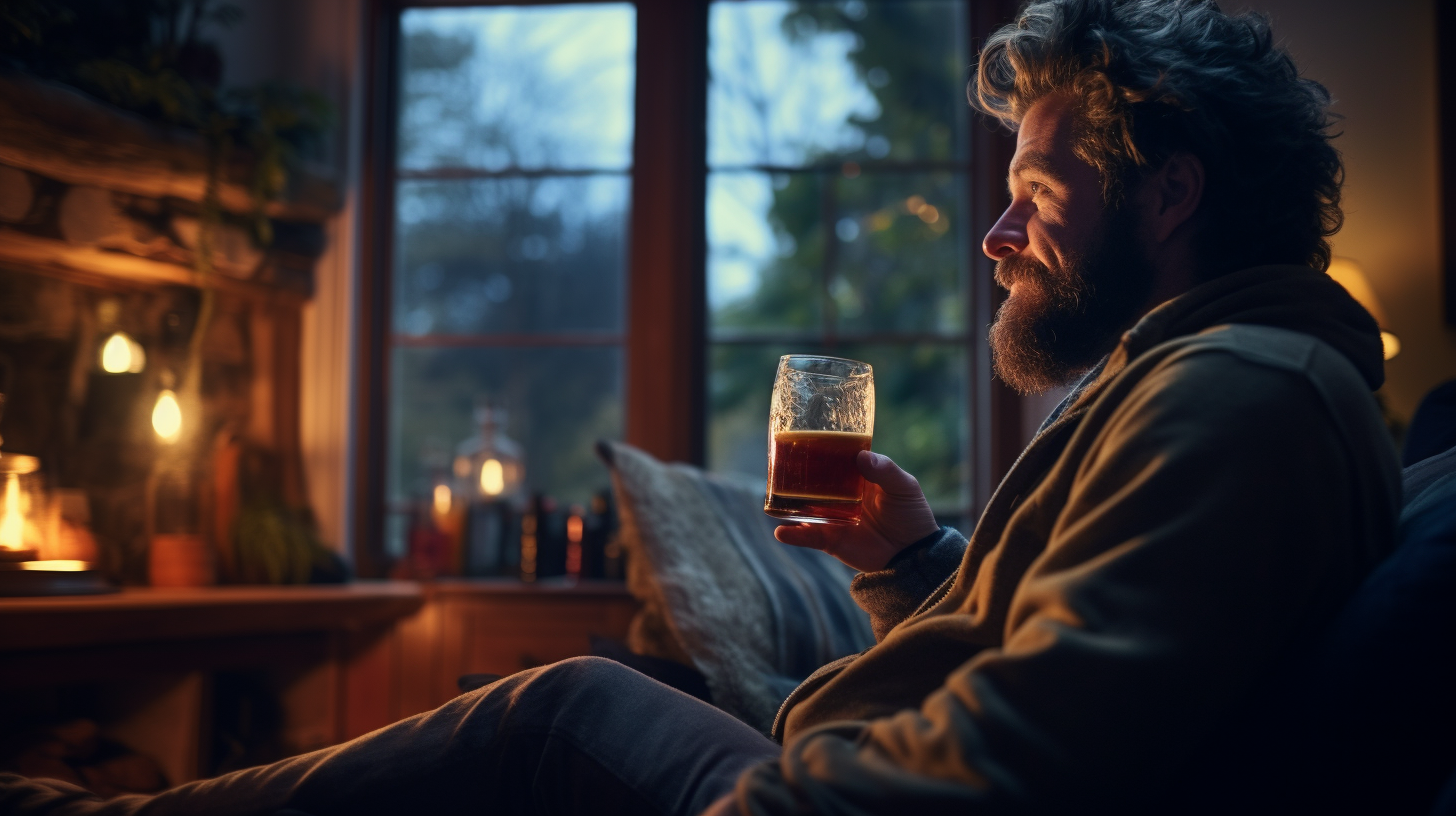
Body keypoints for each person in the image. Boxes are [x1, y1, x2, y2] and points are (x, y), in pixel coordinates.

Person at [0, 0, 1400, 814]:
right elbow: (1049, 665)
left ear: (1169, 193)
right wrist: (908, 565)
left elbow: (1022, 768)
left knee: (564, 706)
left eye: (1035, 200)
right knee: (631, 688)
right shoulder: (1206, 377)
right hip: (838, 741)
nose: (995, 238)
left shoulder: (1235, 400)